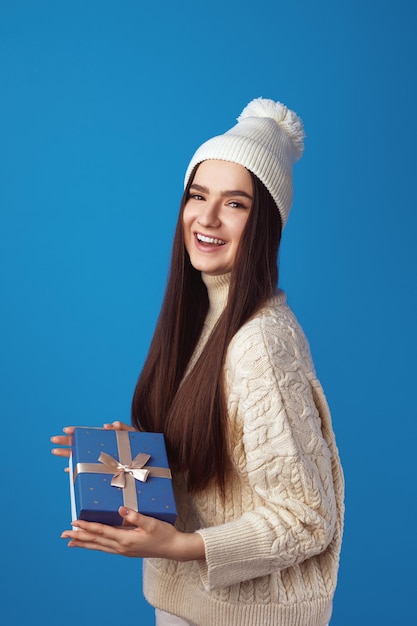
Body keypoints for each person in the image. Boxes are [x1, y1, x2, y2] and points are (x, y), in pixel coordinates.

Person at [51, 97, 344, 626]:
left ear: (266, 225)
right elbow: (220, 462)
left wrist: (182, 545)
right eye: (197, 195)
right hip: (190, 608)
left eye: (236, 204)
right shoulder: (202, 317)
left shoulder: (260, 343)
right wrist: (129, 458)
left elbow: (307, 518)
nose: (206, 218)